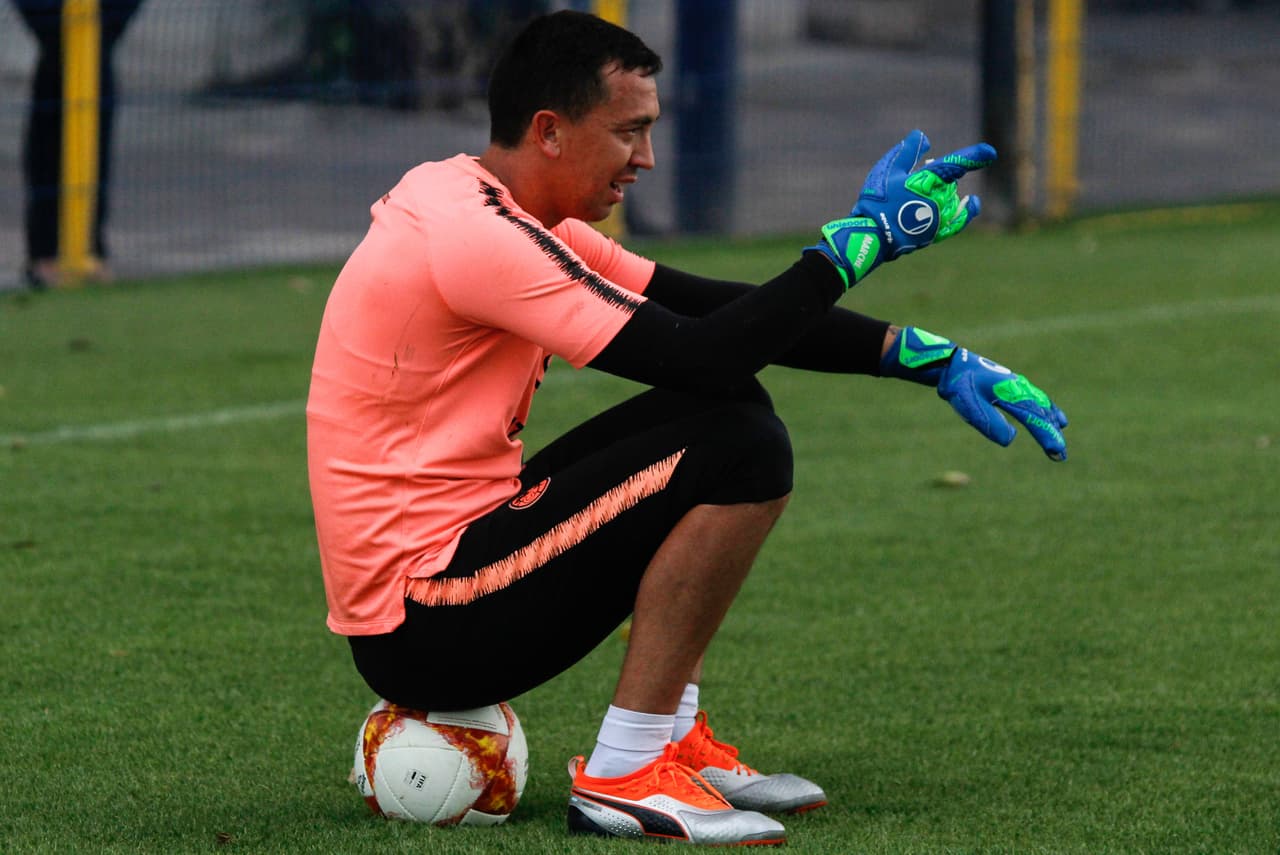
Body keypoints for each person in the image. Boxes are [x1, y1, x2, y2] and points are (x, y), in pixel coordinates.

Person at [306, 10, 1068, 846]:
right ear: (549, 132)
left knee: (733, 411)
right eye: (629, 132)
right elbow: (704, 351)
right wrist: (856, 245)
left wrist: (924, 355)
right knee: (739, 442)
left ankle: (667, 740)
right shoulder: (476, 237)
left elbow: (708, 311)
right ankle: (623, 775)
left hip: (458, 574)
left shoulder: (491, 205)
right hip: (428, 622)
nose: (647, 159)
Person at [14, 0, 143, 289]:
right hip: (54, 21)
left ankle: (88, 247)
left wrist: (105, 26)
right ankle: (48, 251)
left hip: (101, 22)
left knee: (91, 102)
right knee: (55, 110)